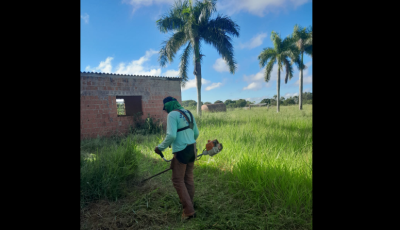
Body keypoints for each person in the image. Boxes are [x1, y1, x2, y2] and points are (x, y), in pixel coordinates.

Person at [154, 96, 199, 220]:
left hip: (181, 150)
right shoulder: (188, 112)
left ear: (168, 106)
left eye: (165, 108)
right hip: (192, 148)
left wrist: (160, 148)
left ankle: (188, 210)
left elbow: (172, 135)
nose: (165, 110)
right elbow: (196, 133)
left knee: (177, 180)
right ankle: (190, 203)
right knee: (188, 178)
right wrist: (188, 140)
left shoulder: (172, 115)